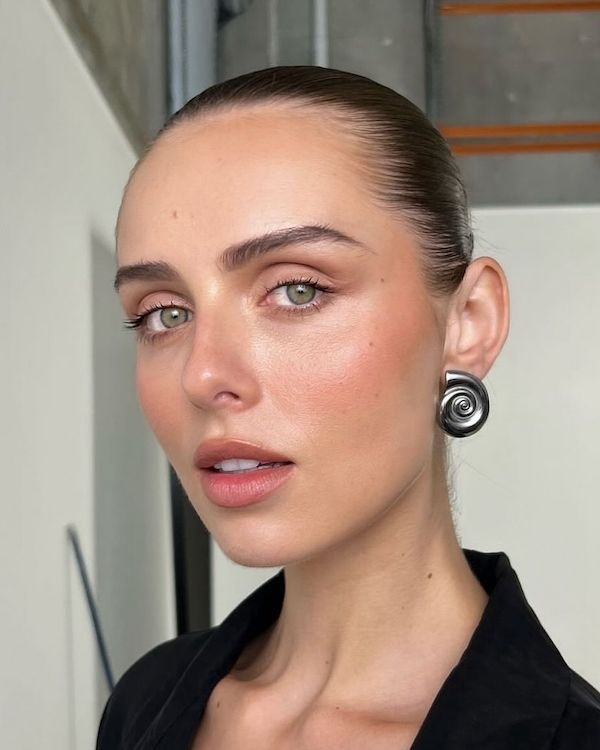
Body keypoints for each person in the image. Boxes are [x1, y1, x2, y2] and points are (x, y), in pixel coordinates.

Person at [97, 66, 600, 749]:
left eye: (297, 290)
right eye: (164, 313)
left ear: (468, 323)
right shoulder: (145, 699)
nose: (203, 374)